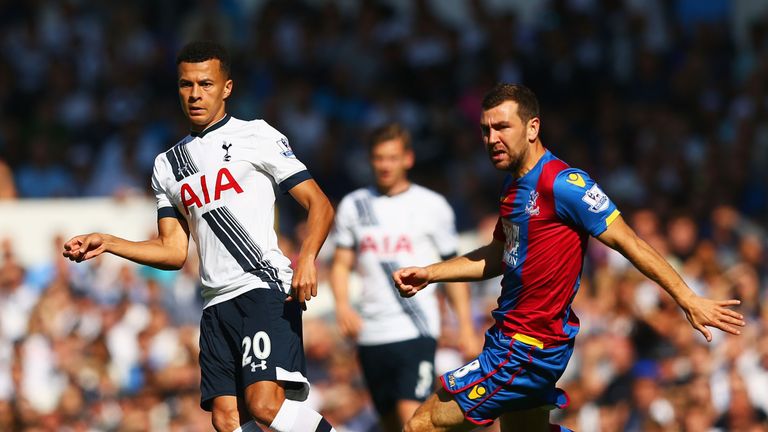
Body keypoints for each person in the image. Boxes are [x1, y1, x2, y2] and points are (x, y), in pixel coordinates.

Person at [392, 83, 746, 432]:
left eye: (502, 127)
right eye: (485, 130)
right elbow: (499, 255)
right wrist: (431, 273)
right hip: (512, 339)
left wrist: (687, 298)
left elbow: (630, 242)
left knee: (422, 425)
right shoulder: (513, 187)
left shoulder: (564, 184)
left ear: (533, 128)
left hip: (526, 348)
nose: (491, 139)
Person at [63, 41, 337, 432]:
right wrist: (108, 241)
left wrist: (307, 258)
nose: (195, 94)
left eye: (206, 84)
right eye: (185, 85)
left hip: (262, 287)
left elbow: (320, 204)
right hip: (214, 302)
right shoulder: (168, 165)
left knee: (264, 406)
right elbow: (174, 252)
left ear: (227, 88)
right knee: (226, 421)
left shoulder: (256, 135)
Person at [329, 123, 479, 432]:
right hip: (371, 332)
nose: (385, 165)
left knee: (414, 422)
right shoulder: (354, 206)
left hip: (416, 329)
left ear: (408, 159)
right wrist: (343, 306)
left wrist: (465, 325)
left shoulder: (432, 205)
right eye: (379, 158)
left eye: (392, 158)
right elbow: (342, 263)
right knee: (391, 424)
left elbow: (453, 269)